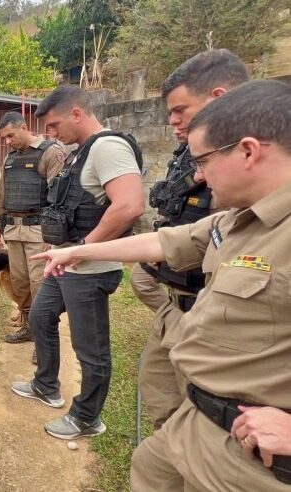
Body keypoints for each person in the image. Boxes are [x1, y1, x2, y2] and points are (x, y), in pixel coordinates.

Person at [35, 79, 291, 490]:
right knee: (151, 466)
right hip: (196, 420)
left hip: (249, 457)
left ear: (248, 151)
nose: (200, 177)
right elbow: (163, 241)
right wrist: (75, 252)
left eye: (204, 161)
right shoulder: (237, 220)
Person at [10, 85, 144, 440]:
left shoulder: (108, 147)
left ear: (77, 114)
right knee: (40, 317)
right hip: (67, 262)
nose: (51, 134)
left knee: (91, 348)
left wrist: (83, 247)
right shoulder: (79, 151)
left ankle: (87, 417)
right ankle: (46, 385)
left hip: (89, 267)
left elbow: (130, 206)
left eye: (55, 125)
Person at [134, 49, 249, 429]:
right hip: (181, 300)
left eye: (180, 109)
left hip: (225, 324)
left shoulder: (265, 164)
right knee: (162, 397)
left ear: (218, 99)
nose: (173, 121)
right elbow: (177, 212)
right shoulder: (187, 154)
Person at [0, 111, 67, 345]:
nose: (7, 141)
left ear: (24, 127)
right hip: (13, 230)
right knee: (20, 282)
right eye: (4, 138)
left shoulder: (50, 152)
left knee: (40, 285)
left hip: (38, 231)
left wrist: (54, 234)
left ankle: (43, 338)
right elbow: (2, 193)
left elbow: (59, 196)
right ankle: (27, 327)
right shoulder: (10, 158)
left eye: (10, 135)